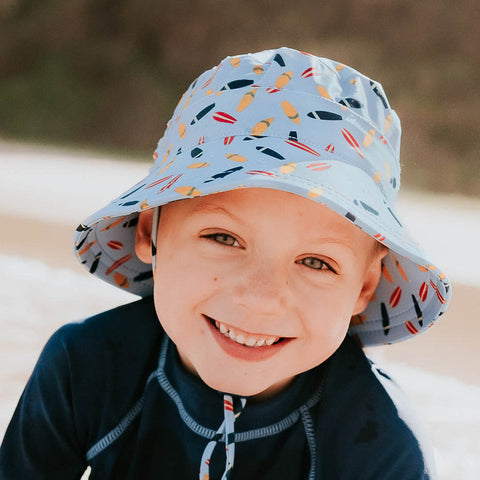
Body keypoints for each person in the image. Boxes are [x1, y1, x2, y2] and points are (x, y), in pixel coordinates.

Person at [0, 47, 451, 479]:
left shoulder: (380, 445)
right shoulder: (86, 368)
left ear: (364, 287)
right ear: (147, 232)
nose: (260, 299)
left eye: (315, 262)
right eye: (223, 237)